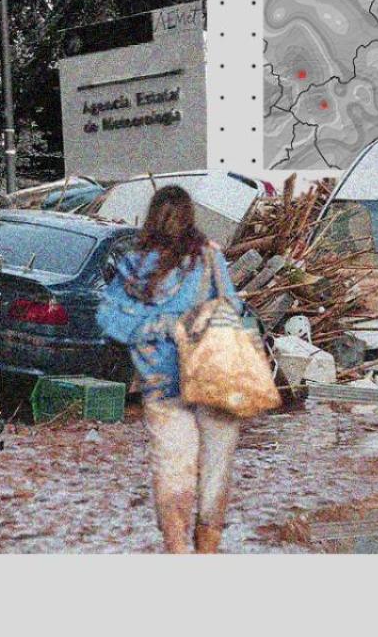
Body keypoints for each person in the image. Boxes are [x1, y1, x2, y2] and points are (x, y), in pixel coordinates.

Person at [97, 185, 245, 553]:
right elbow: (234, 309)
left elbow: (108, 317)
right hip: (213, 379)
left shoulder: (136, 263)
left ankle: (178, 551)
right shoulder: (210, 258)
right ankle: (207, 552)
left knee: (173, 471)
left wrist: (150, 329)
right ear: (190, 217)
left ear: (152, 218)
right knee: (215, 471)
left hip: (162, 385)